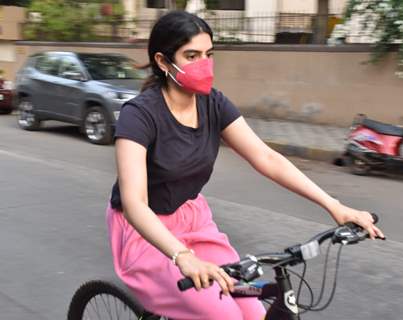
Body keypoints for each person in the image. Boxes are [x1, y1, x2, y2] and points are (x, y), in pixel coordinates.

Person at [106, 10, 384, 320]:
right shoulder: (139, 115)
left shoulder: (213, 103)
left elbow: (267, 158)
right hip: (147, 232)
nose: (204, 64)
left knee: (251, 309)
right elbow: (134, 204)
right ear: (162, 62)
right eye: (192, 55)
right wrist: (182, 256)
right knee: (222, 314)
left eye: (209, 54)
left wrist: (335, 206)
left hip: (194, 222)